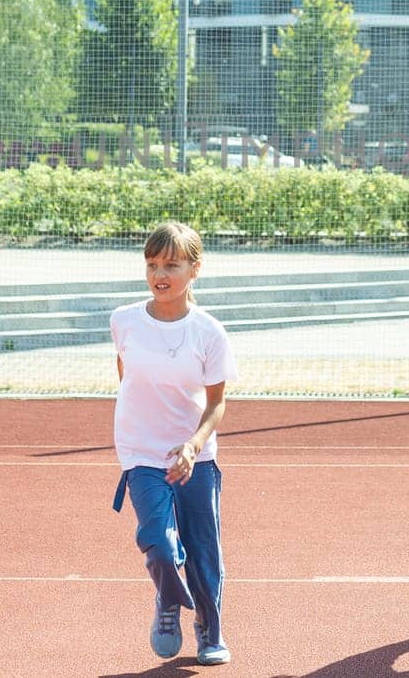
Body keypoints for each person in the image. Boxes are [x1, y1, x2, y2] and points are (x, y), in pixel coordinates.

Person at [110, 221, 236, 665]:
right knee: (159, 543)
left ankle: (209, 630)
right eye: (152, 264)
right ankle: (168, 599)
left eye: (171, 264)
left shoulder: (210, 332)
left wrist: (192, 445)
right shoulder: (124, 320)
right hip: (141, 451)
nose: (160, 274)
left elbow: (218, 403)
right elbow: (127, 377)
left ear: (194, 269)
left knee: (203, 551)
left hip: (196, 457)